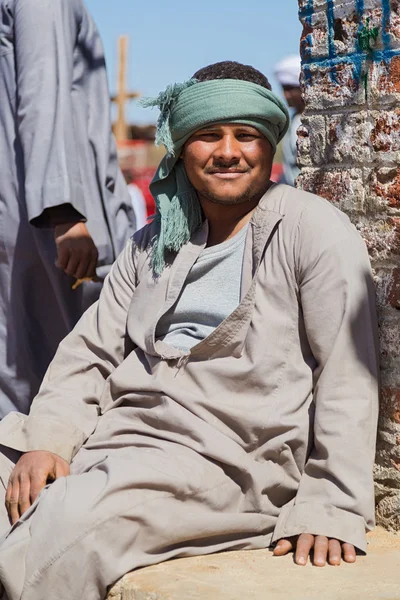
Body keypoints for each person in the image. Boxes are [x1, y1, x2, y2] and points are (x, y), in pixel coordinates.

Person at [0, 61, 378, 600]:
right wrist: (47, 442)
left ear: (269, 142)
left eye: (246, 135)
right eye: (208, 135)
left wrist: (331, 502)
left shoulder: (310, 229)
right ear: (181, 147)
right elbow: (89, 354)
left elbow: (348, 371)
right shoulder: (152, 242)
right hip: (118, 438)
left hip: (228, 464)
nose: (229, 151)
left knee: (63, 533)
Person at [0, 0, 135, 418]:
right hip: (57, 221)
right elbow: (43, 95)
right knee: (85, 368)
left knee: (22, 363)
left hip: (22, 209)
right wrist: (63, 212)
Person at [274, 55, 304, 186]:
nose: (285, 95)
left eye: (290, 89)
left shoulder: (308, 122)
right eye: (284, 89)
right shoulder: (292, 121)